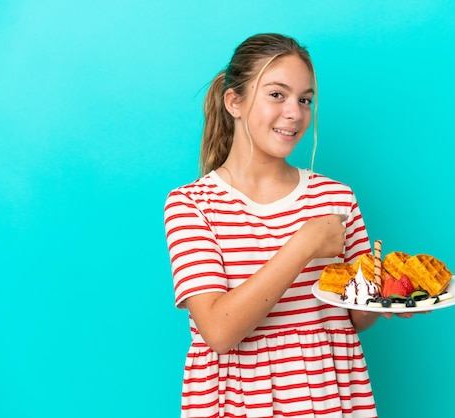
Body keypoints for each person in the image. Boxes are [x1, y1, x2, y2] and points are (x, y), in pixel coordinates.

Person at [164, 33, 406, 418]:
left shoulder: (336, 198)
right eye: (277, 94)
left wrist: (388, 295)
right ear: (234, 102)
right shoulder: (192, 204)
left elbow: (355, 317)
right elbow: (219, 331)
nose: (295, 112)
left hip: (329, 398)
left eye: (305, 99)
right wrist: (304, 245)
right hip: (239, 403)